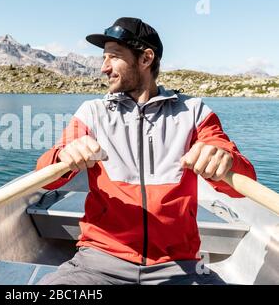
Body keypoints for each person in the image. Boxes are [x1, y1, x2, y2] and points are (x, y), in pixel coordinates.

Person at [35, 17, 257, 285]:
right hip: (98, 262)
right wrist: (64, 156)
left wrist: (224, 158)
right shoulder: (92, 113)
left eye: (113, 57)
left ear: (145, 58)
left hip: (180, 266)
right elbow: (47, 178)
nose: (104, 68)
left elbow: (240, 184)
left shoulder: (195, 113)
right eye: (104, 58)